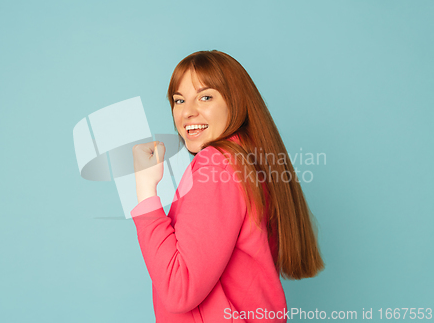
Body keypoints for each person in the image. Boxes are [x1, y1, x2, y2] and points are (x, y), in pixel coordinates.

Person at [131, 50, 324, 323]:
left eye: (205, 97)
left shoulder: (217, 163)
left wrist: (145, 189)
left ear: (234, 102)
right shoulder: (247, 157)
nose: (187, 112)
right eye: (178, 100)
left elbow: (179, 290)